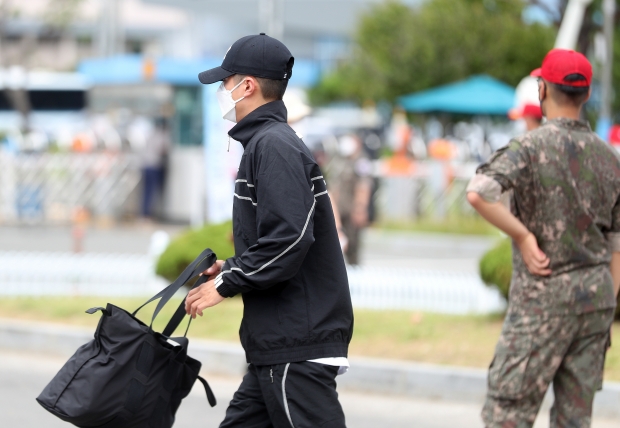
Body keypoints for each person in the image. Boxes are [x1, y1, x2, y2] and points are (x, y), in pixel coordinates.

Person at [186, 34, 354, 428]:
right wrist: (230, 264)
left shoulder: (273, 145)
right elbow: (283, 237)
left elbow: (289, 239)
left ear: (247, 86)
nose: (222, 92)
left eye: (225, 83)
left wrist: (227, 282)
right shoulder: (266, 142)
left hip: (295, 344)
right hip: (277, 344)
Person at [467, 48, 620, 428]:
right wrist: (606, 298)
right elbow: (618, 244)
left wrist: (522, 235)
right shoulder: (609, 158)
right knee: (574, 418)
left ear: (541, 91)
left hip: (542, 300)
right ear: (585, 96)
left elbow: (479, 191)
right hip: (595, 302)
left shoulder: (530, 147)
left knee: (509, 413)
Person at [328, 134, 372, 265]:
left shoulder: (361, 161)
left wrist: (360, 209)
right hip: (337, 212)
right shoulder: (338, 159)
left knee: (352, 247)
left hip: (351, 211)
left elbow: (364, 186)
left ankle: (354, 275)